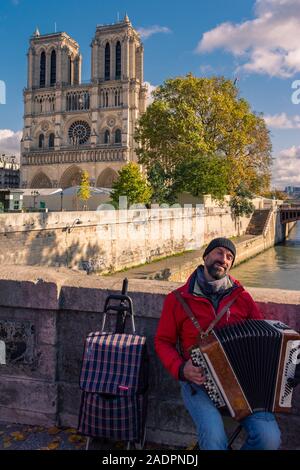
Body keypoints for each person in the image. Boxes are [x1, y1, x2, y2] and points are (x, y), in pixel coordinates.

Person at [154, 237, 281, 450]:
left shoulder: (243, 298)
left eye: (229, 257)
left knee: (269, 439)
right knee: (213, 440)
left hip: (240, 385)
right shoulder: (177, 299)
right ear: (206, 257)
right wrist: (181, 368)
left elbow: (262, 337)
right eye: (219, 253)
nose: (223, 259)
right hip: (198, 383)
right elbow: (162, 341)